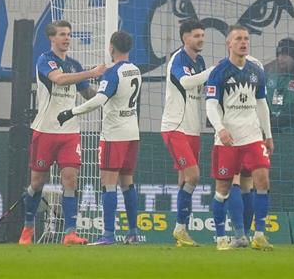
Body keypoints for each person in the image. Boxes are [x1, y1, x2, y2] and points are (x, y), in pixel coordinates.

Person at [19, 21, 106, 246]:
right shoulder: (45, 60)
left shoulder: (74, 65)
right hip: (45, 131)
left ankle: (70, 232)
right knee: (37, 183)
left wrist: (107, 96)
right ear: (52, 38)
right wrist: (93, 72)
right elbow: (59, 79)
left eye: (68, 34)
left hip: (70, 132)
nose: (66, 38)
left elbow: (87, 93)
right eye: (62, 35)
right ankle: (28, 227)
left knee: (70, 179)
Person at [57, 31, 142, 246]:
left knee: (109, 185)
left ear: (111, 48)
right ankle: (133, 233)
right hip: (133, 132)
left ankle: (109, 234)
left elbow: (99, 100)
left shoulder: (113, 73)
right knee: (128, 183)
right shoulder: (135, 69)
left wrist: (72, 112)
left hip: (114, 135)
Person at [205, 25, 274, 251]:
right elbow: (211, 105)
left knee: (262, 181)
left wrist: (268, 134)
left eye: (246, 38)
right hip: (228, 140)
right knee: (222, 189)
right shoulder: (219, 71)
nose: (243, 42)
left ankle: (260, 234)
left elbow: (262, 104)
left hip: (253, 137)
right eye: (239, 39)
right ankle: (220, 237)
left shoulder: (256, 71)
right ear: (229, 44)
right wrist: (220, 128)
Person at [161, 19, 214, 247]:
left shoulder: (199, 61)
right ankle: (180, 228)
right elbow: (184, 82)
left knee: (184, 178)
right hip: (175, 127)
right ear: (185, 38)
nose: (200, 39)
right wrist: (212, 71)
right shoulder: (178, 59)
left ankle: (181, 233)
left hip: (193, 128)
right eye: (196, 35)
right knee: (194, 176)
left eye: (202, 35)